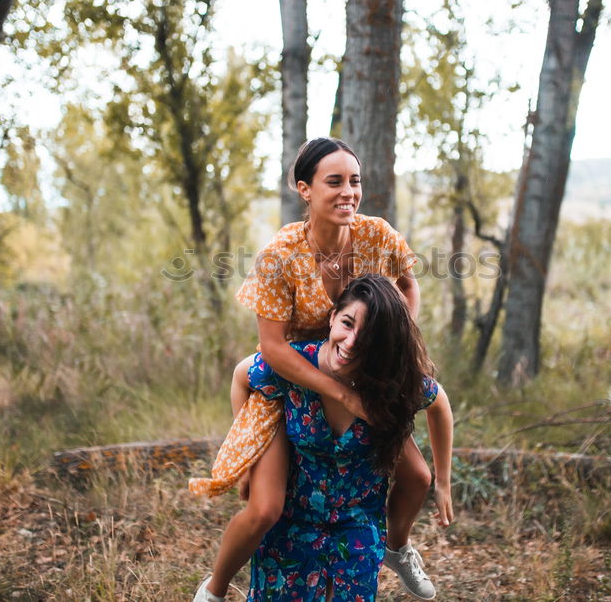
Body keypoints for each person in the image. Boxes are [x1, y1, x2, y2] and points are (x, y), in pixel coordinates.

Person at [190, 138, 449, 600]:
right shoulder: (281, 254)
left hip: (360, 367)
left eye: (355, 180)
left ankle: (396, 545)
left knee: (417, 476)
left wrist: (394, 341)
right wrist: (342, 394)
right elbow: (270, 348)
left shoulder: (376, 234)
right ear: (304, 189)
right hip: (293, 375)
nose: (348, 191)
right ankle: (213, 589)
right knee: (266, 507)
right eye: (334, 182)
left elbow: (408, 284)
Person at [240, 275, 454, 600]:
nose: (352, 342)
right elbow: (243, 377)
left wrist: (443, 481)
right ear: (332, 316)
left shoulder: (392, 381)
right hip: (294, 521)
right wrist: (247, 460)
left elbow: (439, 405)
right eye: (347, 323)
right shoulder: (296, 365)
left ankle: (397, 549)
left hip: (358, 522)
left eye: (367, 336)